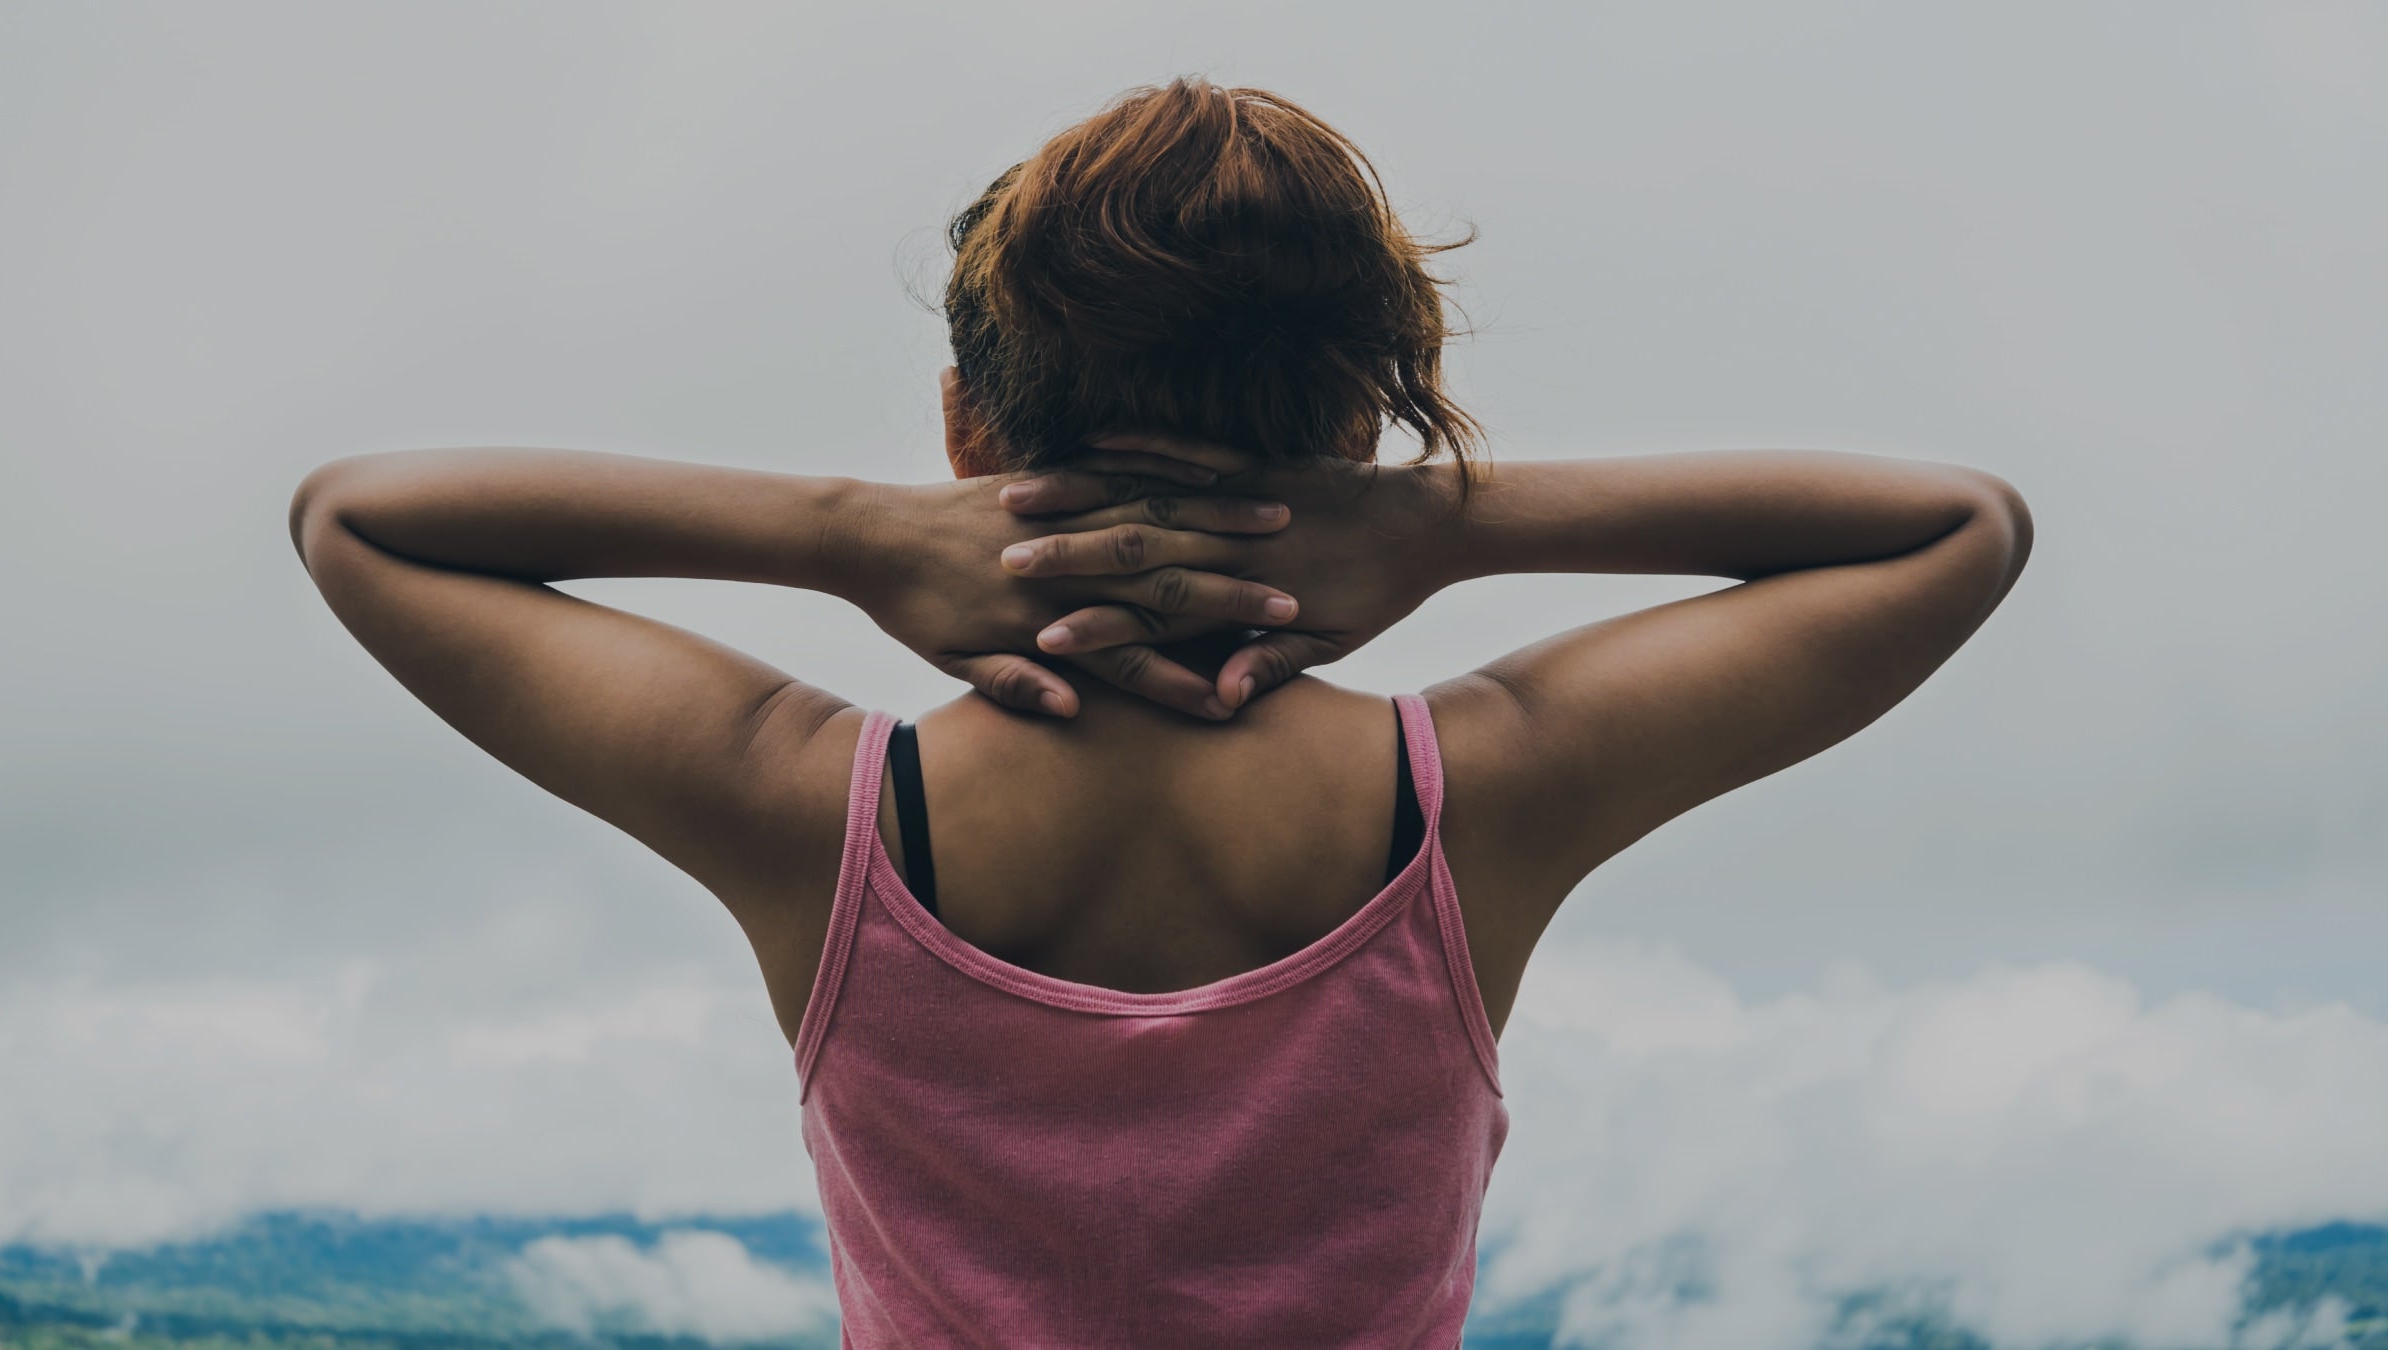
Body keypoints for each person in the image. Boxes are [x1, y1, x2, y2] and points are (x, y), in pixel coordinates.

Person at [289, 77, 2031, 1349]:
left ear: (971, 431)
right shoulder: (1482, 793)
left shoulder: (812, 805)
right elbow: (1958, 526)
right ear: (1359, 424)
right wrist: (1443, 522)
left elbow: (360, 517)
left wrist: (848, 538)